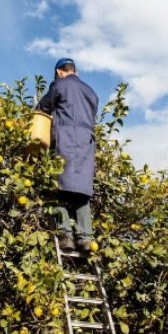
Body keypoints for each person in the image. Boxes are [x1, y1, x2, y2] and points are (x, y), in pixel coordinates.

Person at [38, 57, 99, 253]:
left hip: (65, 139)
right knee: (81, 191)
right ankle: (86, 238)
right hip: (86, 142)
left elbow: (42, 109)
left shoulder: (59, 85)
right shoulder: (91, 92)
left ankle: (65, 235)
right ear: (75, 71)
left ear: (59, 72)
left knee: (55, 187)